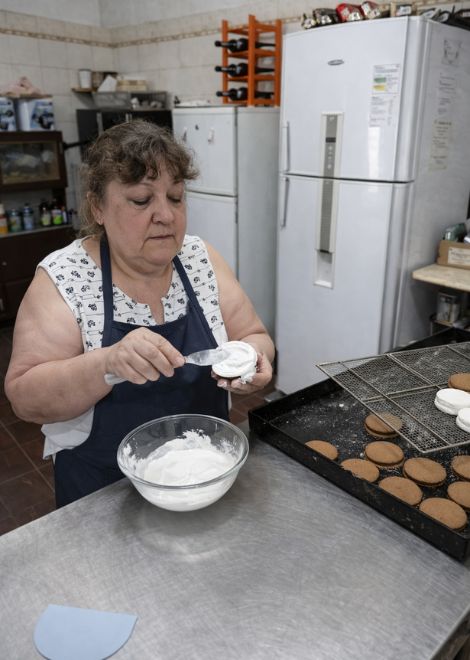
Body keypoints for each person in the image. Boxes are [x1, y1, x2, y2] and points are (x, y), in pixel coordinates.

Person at [5, 120, 275, 507]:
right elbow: (25, 397)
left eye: (176, 197)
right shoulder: (64, 278)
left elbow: (254, 334)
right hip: (101, 493)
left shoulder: (200, 260)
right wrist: (107, 363)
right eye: (141, 200)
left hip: (202, 478)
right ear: (98, 205)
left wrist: (253, 362)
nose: (166, 215)